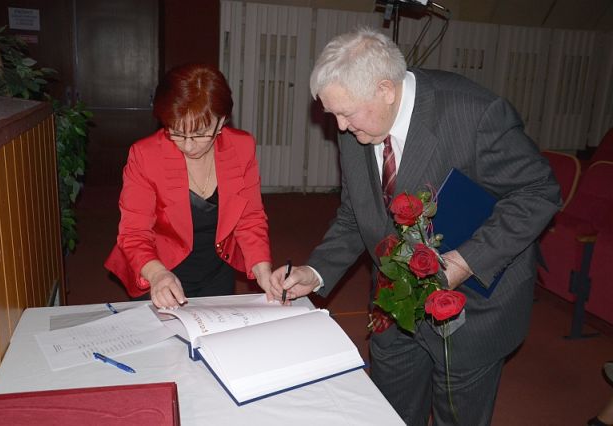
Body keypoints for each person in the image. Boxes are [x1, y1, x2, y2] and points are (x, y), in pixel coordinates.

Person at [268, 27, 561, 426]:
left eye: (345, 113)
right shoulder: (358, 121)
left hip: (474, 309)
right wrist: (315, 271)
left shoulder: (474, 114)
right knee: (390, 414)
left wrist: (464, 261)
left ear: (385, 90)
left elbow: (538, 191)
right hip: (394, 306)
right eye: (332, 113)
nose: (339, 127)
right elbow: (357, 213)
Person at [105, 63, 272, 309]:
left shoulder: (242, 147)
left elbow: (250, 218)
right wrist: (157, 274)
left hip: (217, 267)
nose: (189, 145)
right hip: (159, 268)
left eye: (201, 133)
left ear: (222, 121)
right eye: (177, 132)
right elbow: (134, 232)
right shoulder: (145, 155)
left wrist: (262, 269)